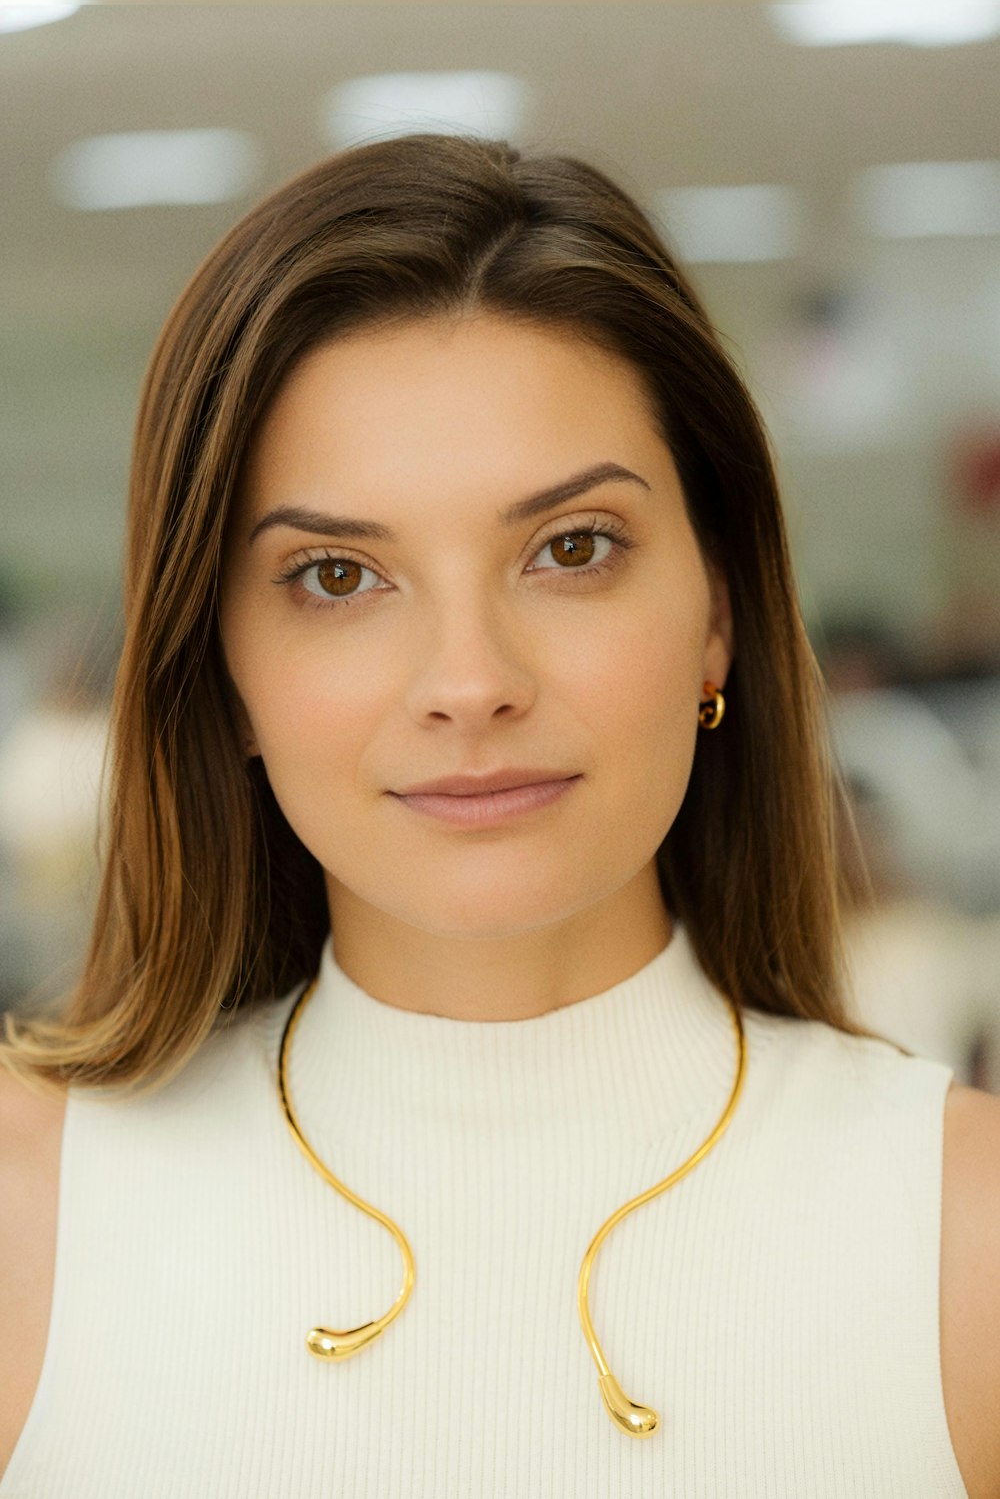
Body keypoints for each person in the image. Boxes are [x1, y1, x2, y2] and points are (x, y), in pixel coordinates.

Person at [1, 132, 997, 1498]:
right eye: (338, 575)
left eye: (572, 549)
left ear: (717, 615)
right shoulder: (28, 1208)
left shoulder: (966, 1238)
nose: (469, 685)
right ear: (218, 666)